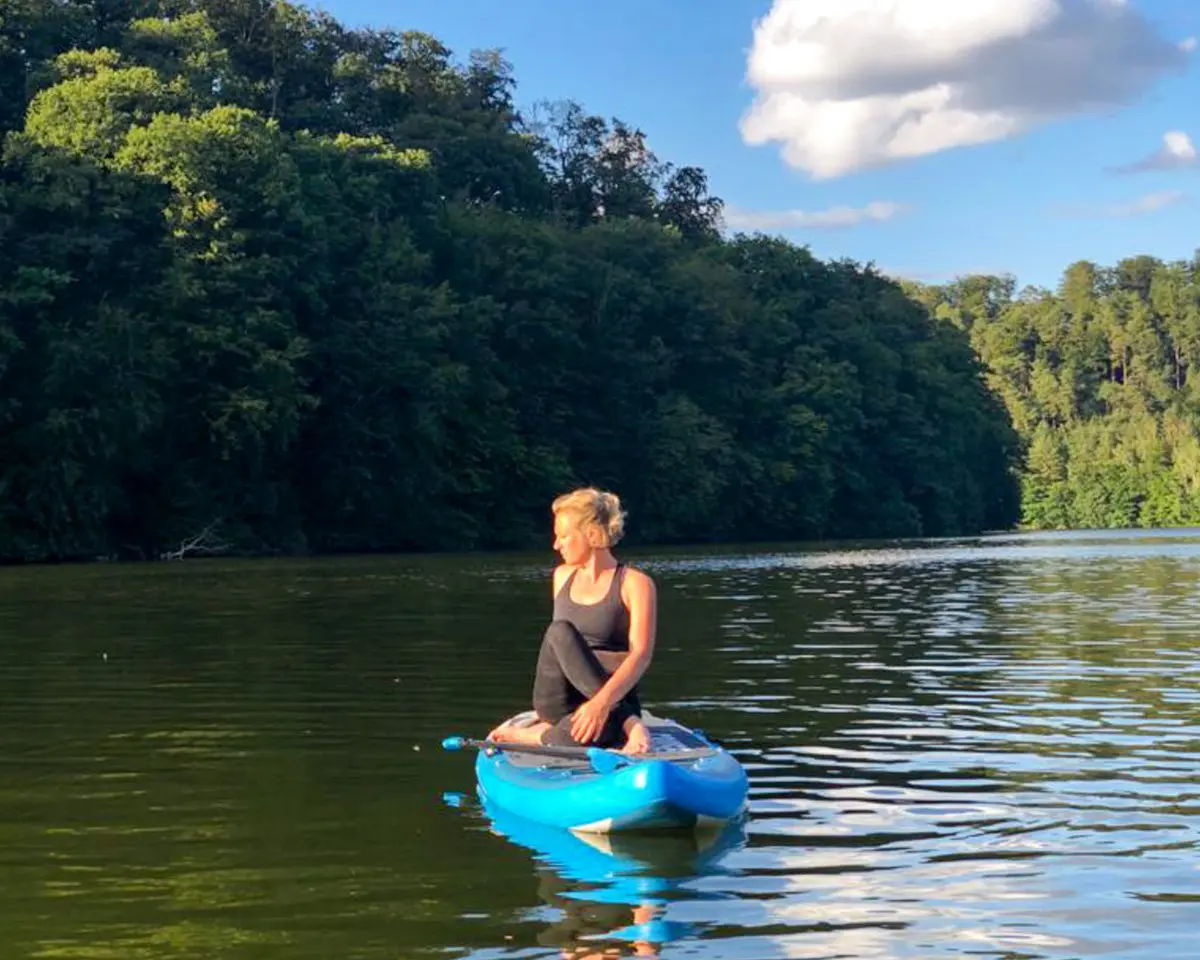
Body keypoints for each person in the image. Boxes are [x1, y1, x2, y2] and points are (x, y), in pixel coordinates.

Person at [489, 487, 655, 755]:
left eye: (564, 536)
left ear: (592, 535)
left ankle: (544, 734)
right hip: (562, 699)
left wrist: (599, 703)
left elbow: (641, 656)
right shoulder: (562, 576)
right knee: (559, 632)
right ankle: (629, 722)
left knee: (594, 731)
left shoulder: (635, 583)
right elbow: (562, 649)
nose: (556, 545)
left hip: (612, 697)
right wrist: (611, 666)